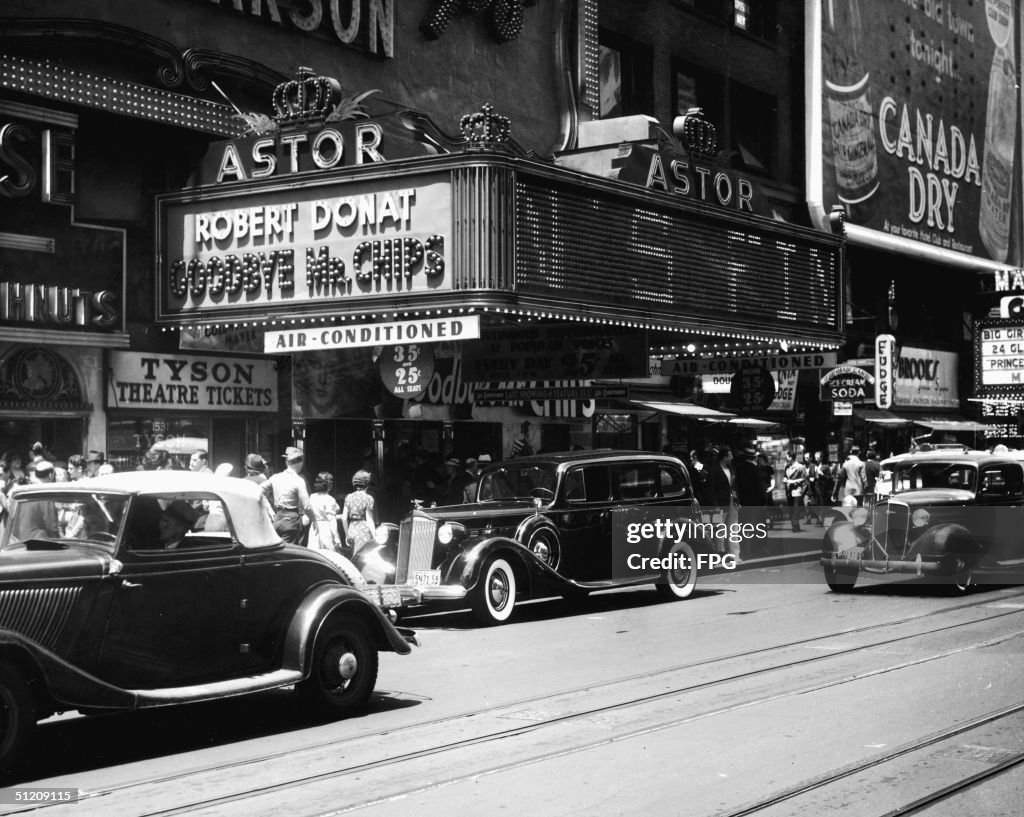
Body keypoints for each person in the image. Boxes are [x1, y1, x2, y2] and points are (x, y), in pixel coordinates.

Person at [261, 447, 319, 545]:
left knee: (277, 551)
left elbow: (258, 490)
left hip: (277, 518)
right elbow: (307, 506)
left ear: (287, 462)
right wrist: (314, 521)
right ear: (300, 463)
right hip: (291, 521)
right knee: (288, 555)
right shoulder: (298, 480)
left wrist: (269, 509)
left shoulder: (276, 477)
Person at [733, 447, 766, 557]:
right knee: (756, 526)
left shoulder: (739, 469)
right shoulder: (755, 469)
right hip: (755, 502)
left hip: (743, 502)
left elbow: (737, 486)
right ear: (754, 457)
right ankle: (754, 549)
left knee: (744, 526)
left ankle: (745, 549)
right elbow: (760, 488)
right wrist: (763, 501)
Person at [709, 446, 739, 557]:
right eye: (729, 456)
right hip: (720, 503)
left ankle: (735, 553)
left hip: (732, 501)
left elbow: (735, 486)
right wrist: (715, 505)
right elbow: (711, 489)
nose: (731, 459)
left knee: (734, 528)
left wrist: (737, 499)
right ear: (724, 457)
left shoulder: (732, 469)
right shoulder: (714, 470)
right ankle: (720, 552)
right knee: (720, 528)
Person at [341, 469, 377, 558]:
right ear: (367, 484)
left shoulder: (348, 497)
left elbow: (344, 518)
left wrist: (347, 534)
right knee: (363, 558)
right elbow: (369, 520)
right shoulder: (369, 498)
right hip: (363, 531)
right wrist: (375, 536)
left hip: (352, 528)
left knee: (354, 557)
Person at [309, 472, 343, 552]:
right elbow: (331, 520)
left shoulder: (312, 497)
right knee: (328, 555)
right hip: (325, 529)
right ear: (329, 485)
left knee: (315, 554)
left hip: (314, 527)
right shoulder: (329, 499)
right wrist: (337, 538)